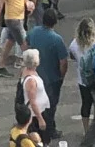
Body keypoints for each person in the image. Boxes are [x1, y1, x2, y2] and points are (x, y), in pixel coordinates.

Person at [26, 7, 68, 140]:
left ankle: (35, 129)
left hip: (35, 75)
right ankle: (48, 132)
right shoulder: (57, 39)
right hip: (52, 78)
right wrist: (61, 75)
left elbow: (26, 45)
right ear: (55, 22)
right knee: (50, 106)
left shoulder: (34, 32)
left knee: (34, 103)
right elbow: (63, 62)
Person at [18, 50, 52, 139]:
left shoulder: (26, 71)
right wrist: (40, 119)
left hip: (39, 111)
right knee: (39, 139)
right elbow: (32, 102)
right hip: (35, 115)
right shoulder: (31, 80)